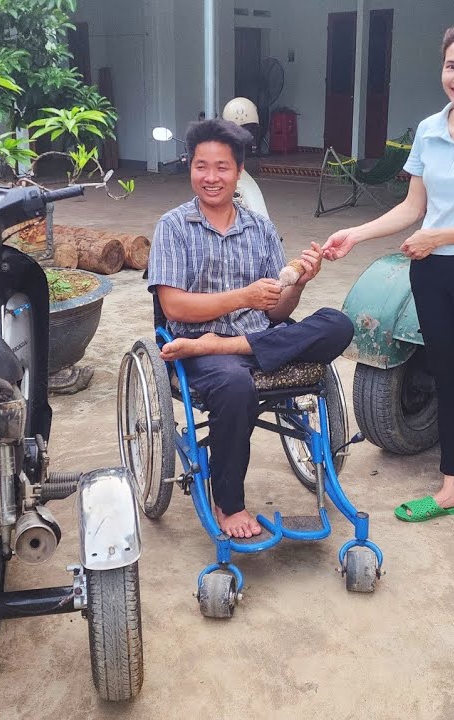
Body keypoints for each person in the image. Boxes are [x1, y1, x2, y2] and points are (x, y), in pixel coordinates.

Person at [321, 20, 454, 554]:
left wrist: (439, 235)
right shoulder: (429, 128)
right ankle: (452, 488)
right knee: (446, 378)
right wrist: (357, 233)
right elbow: (413, 208)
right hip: (432, 271)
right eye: (451, 65)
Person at [148, 119, 355, 539]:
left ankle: (235, 346)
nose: (211, 177)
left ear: (239, 171)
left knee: (337, 323)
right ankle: (229, 501)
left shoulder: (259, 228)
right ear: (190, 167)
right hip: (197, 344)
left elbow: (278, 312)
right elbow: (173, 305)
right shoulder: (172, 226)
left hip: (253, 339)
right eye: (201, 166)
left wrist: (299, 283)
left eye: (222, 167)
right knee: (235, 385)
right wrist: (242, 298)